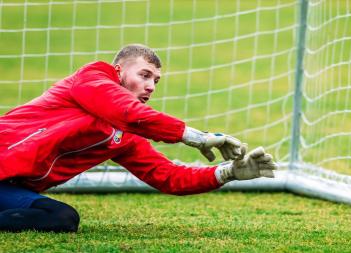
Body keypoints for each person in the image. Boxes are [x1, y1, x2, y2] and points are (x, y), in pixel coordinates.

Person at [0, 44, 277, 233]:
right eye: (144, 75)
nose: (150, 86)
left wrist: (229, 172)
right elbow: (129, 112)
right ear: (118, 71)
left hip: (7, 186)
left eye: (156, 81)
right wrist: (196, 137)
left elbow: (168, 176)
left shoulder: (125, 136)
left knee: (62, 218)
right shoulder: (91, 78)